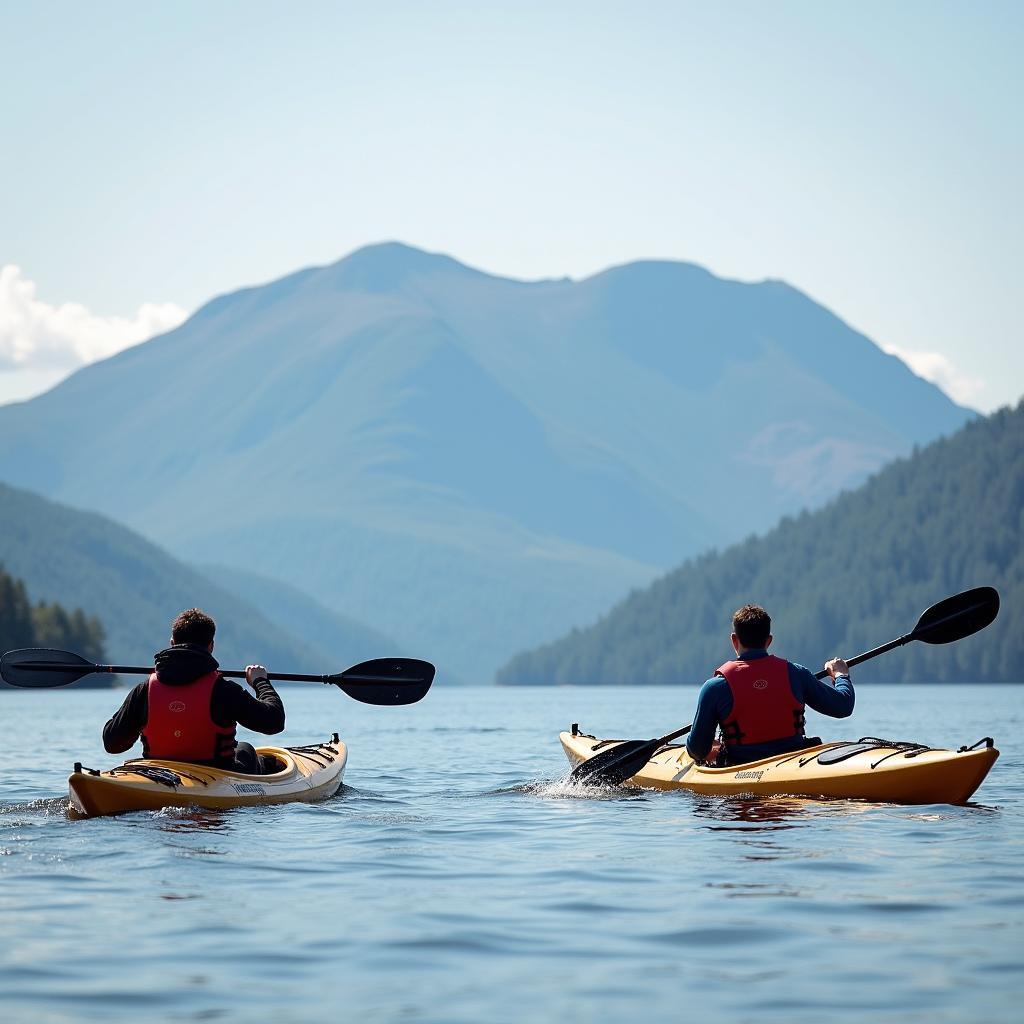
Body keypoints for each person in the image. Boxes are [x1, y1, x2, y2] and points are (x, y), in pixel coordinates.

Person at [102, 608, 285, 774]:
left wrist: (142, 718)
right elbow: (274, 722)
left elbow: (112, 744)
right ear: (211, 646)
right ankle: (267, 764)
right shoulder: (223, 690)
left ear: (172, 642)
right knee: (245, 750)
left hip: (158, 774)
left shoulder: (143, 691)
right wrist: (260, 681)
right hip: (216, 774)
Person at [686, 604, 854, 767]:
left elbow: (697, 751)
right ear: (769, 640)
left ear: (734, 640)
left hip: (742, 768)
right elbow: (843, 706)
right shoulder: (796, 674)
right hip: (793, 764)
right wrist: (841, 675)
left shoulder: (715, 687)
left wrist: (712, 745)